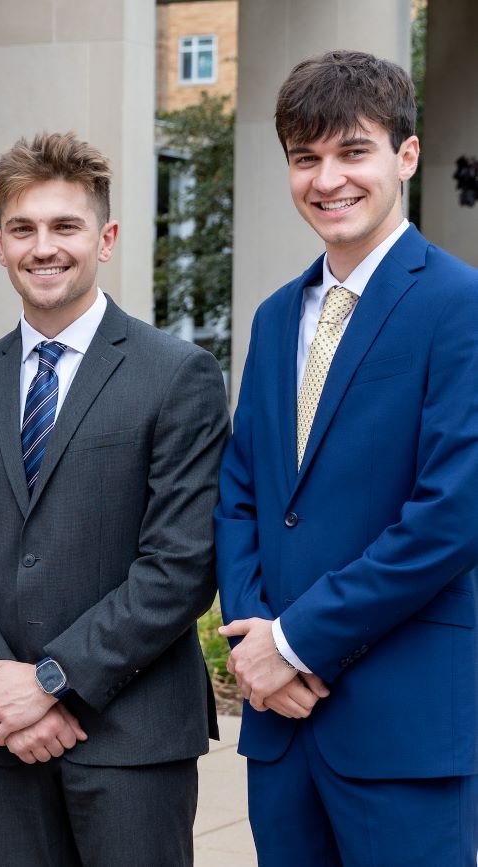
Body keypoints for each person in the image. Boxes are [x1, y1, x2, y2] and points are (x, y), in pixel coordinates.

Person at [0, 131, 229, 866]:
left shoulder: (177, 374)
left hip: (132, 738)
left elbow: (181, 566)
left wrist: (55, 682)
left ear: (107, 237)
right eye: (24, 229)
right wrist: (2, 694)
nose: (44, 247)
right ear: (0, 244)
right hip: (3, 738)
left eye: (65, 226)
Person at [216, 50, 478, 866]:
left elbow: (450, 516)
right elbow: (243, 494)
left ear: (403, 156)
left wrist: (294, 641)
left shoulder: (458, 303)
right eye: (306, 158)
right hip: (282, 728)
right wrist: (258, 650)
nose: (327, 178)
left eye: (352, 151)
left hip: (402, 728)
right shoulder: (272, 316)